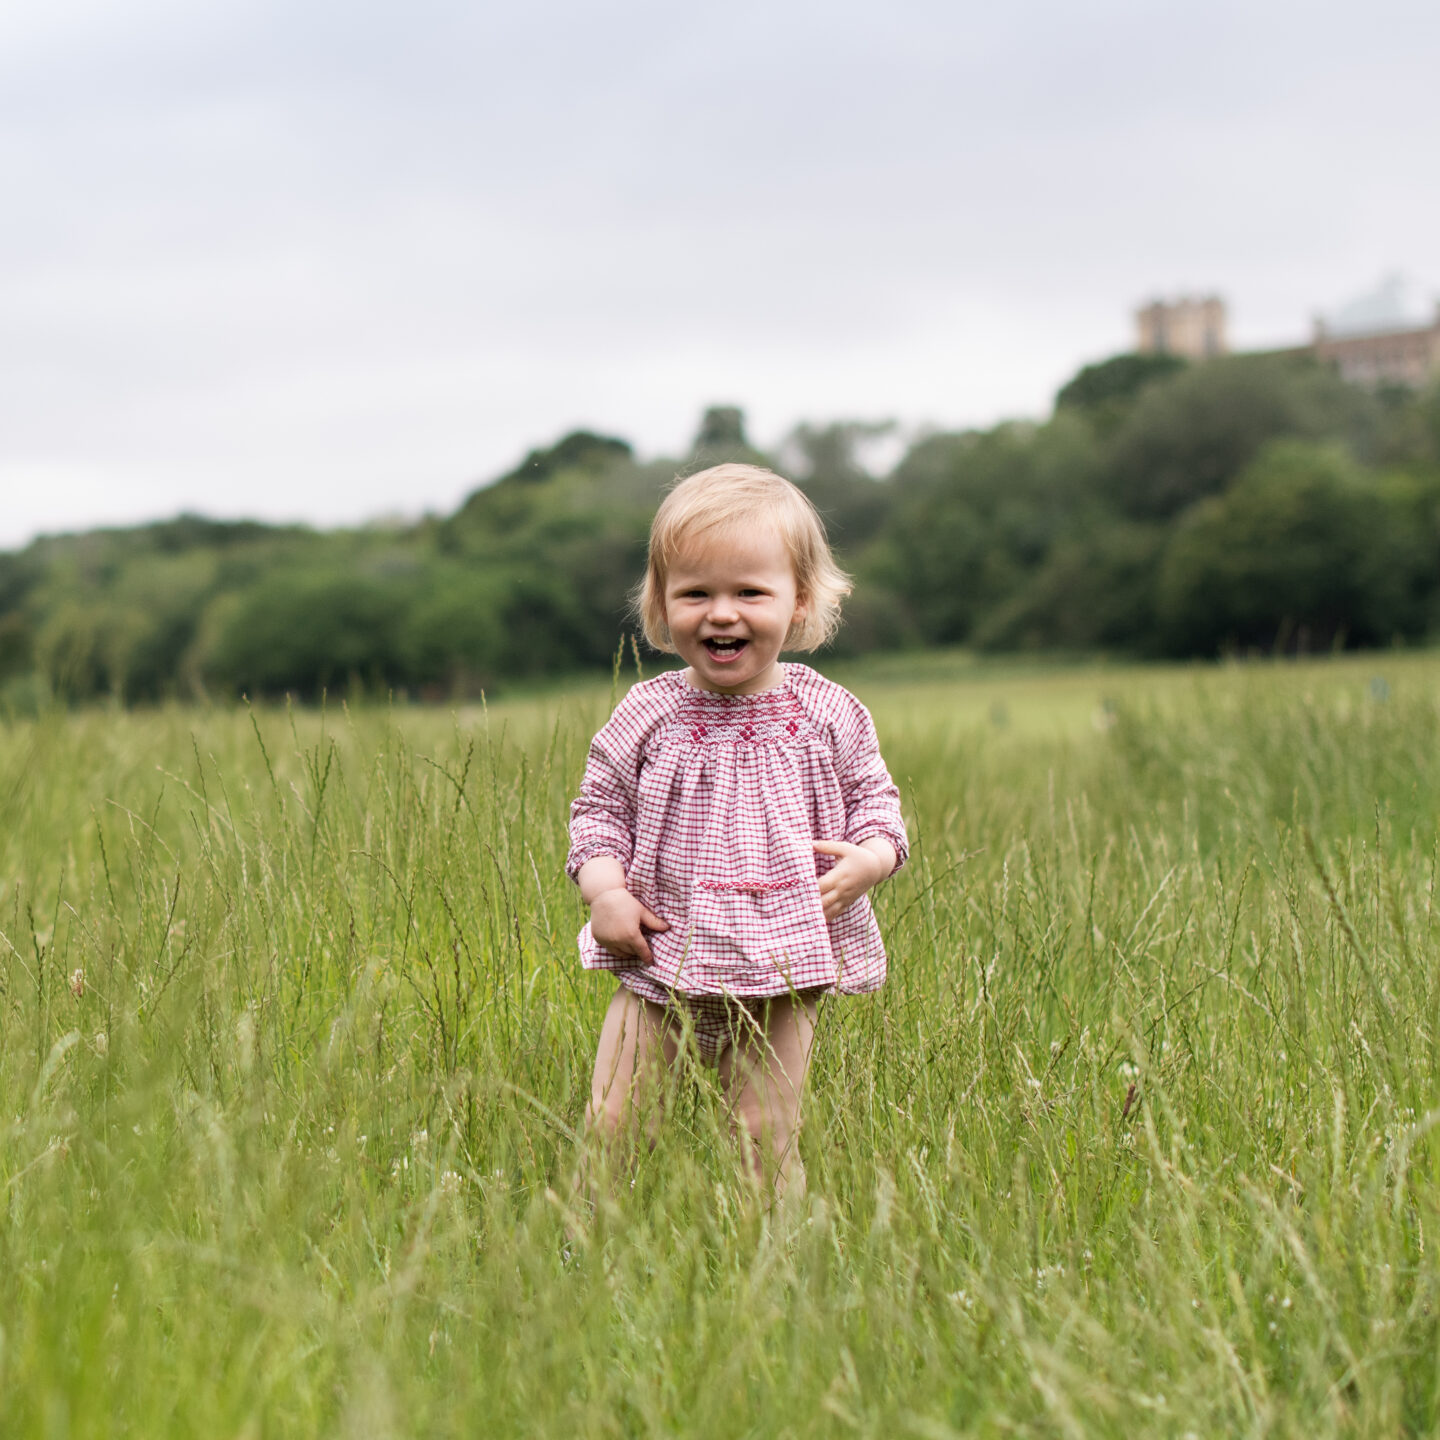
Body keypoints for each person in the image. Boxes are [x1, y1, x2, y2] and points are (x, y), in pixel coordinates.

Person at [566, 463, 908, 1199]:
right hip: (659, 954)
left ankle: (772, 1268)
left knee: (764, 1130)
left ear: (800, 601)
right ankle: (584, 1254)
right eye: (696, 594)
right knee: (618, 1120)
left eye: (750, 592)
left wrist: (871, 860)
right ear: (661, 606)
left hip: (786, 961)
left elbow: (879, 808)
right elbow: (596, 814)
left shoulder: (829, 713)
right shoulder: (646, 716)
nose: (722, 613)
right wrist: (605, 894)